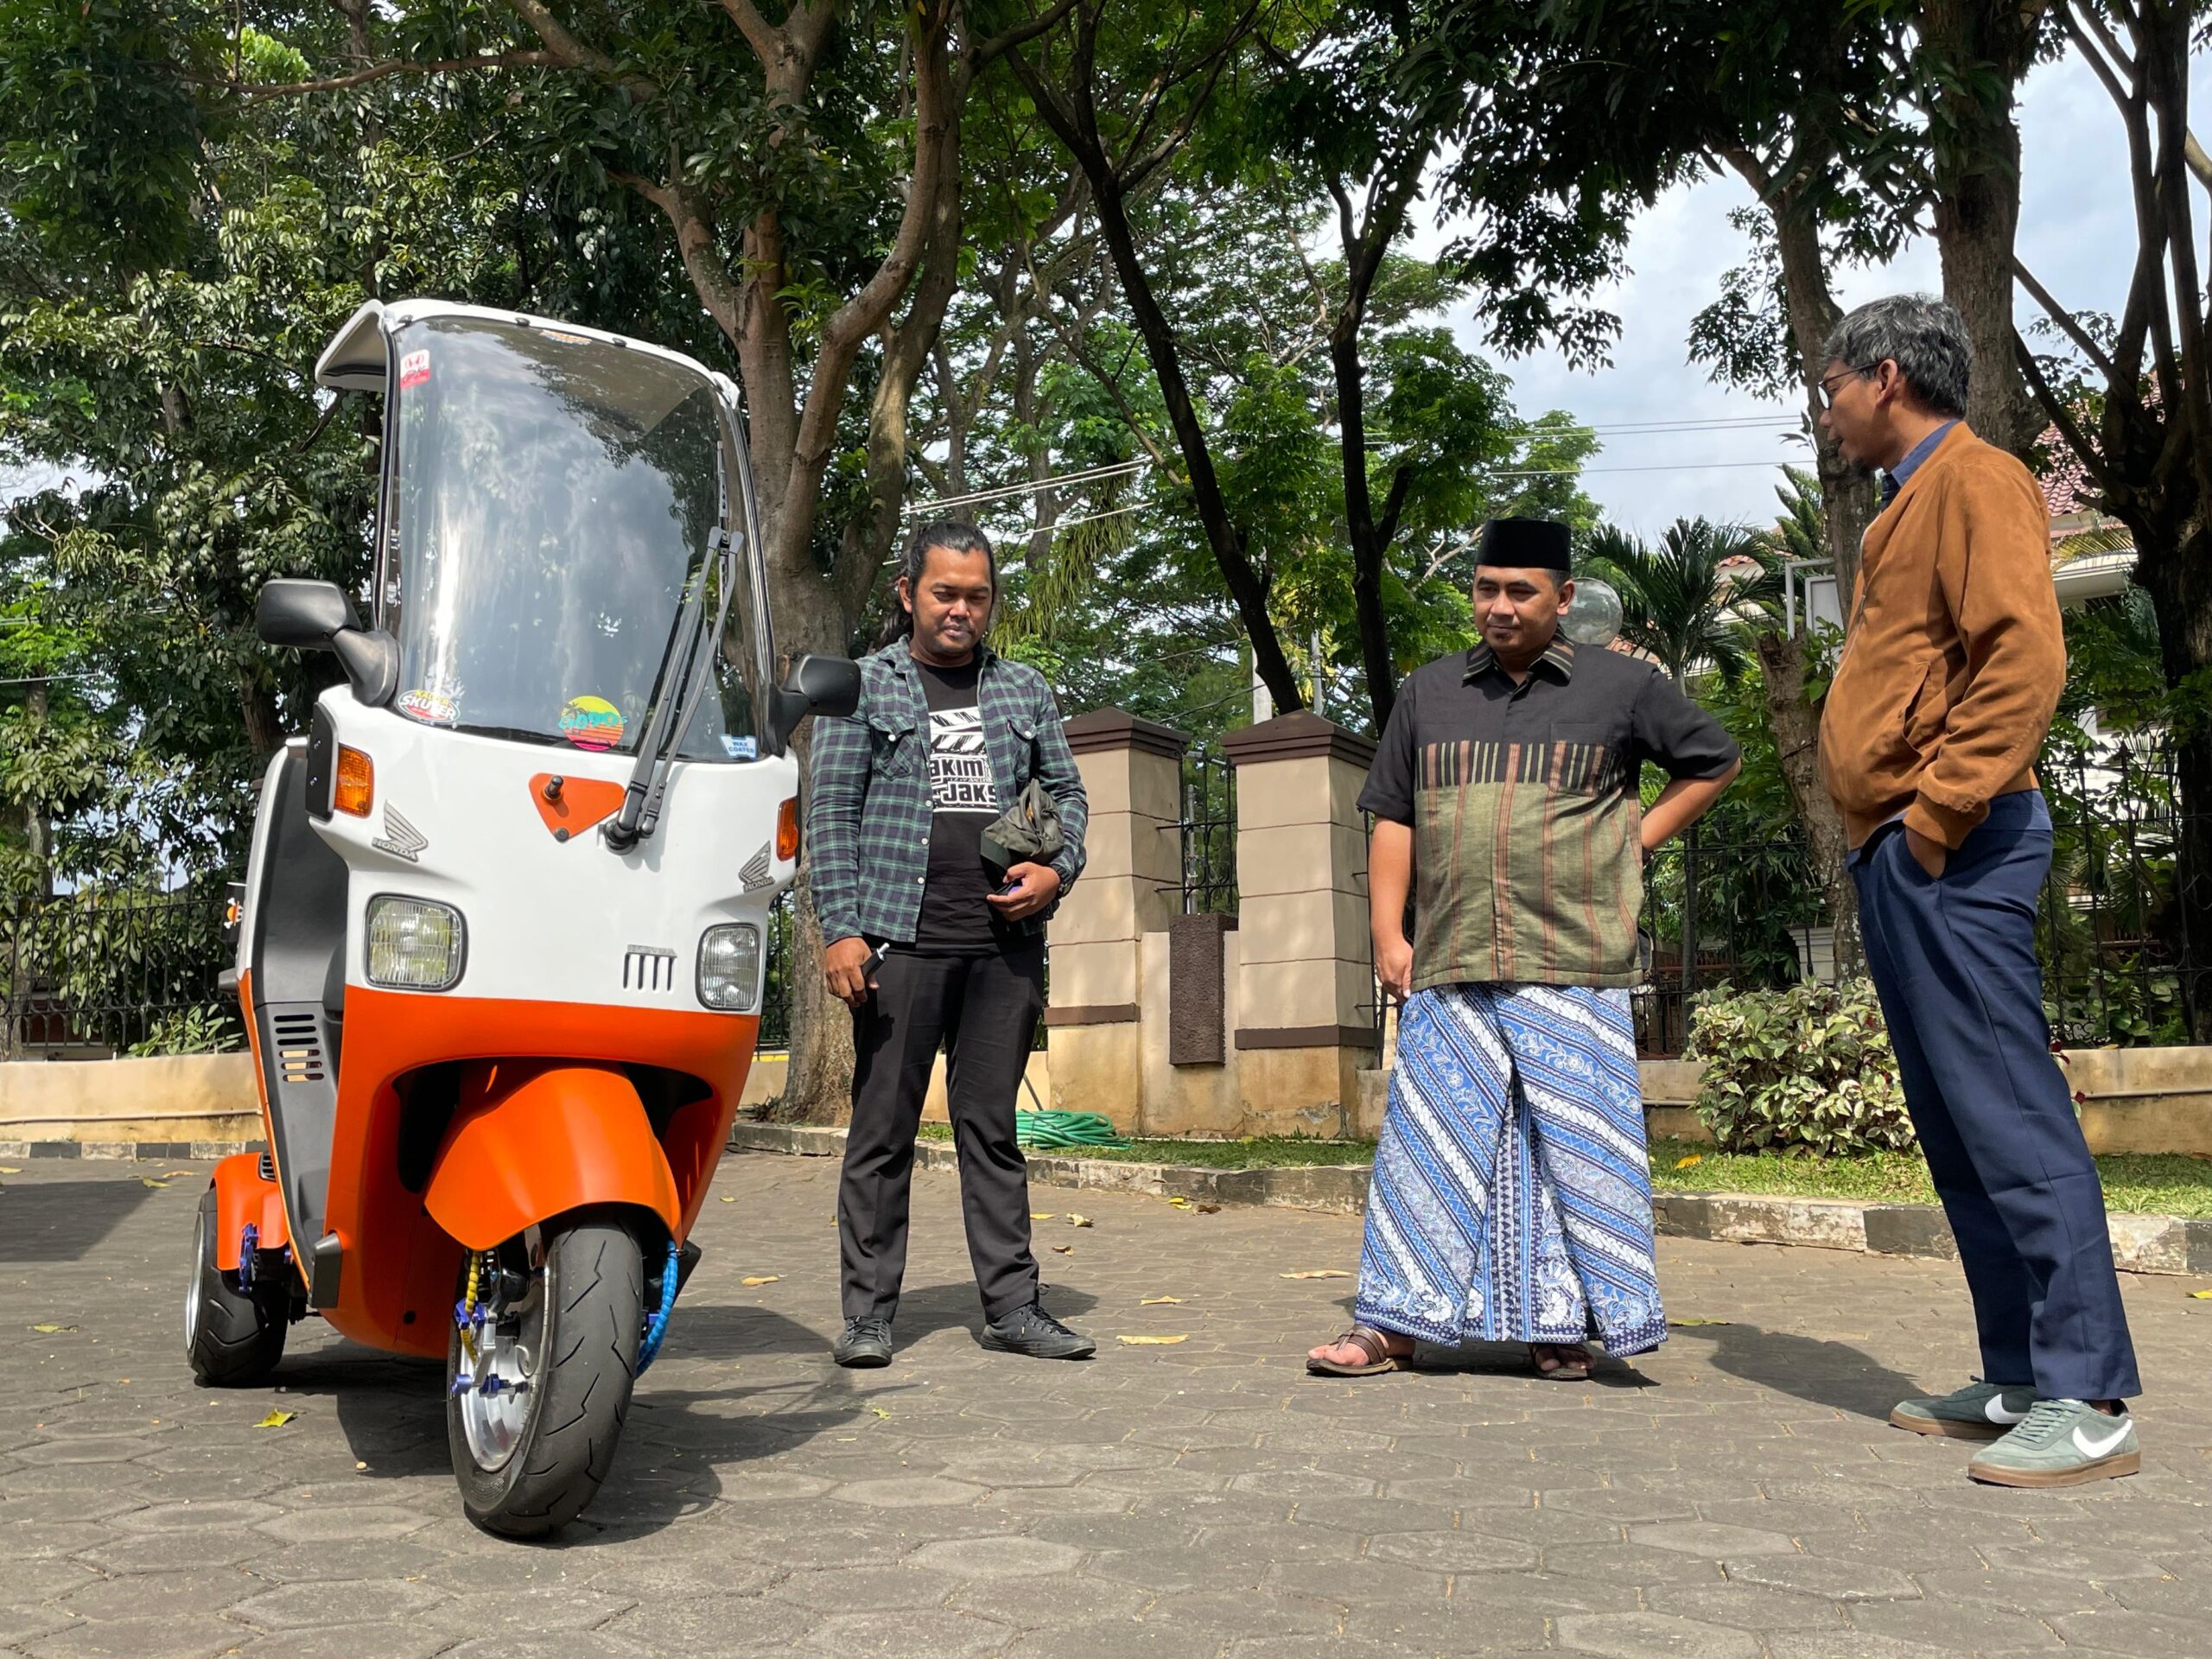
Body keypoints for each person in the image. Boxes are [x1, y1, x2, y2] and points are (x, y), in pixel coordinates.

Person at [1816, 294, 2140, 1486]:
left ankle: (2089, 1392)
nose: (1828, 409)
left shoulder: (1980, 481)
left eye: (1832, 385)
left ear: (1885, 374)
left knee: (2010, 1110)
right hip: (1903, 853)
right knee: (1960, 1126)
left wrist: (1942, 816)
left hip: (1958, 842)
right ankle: (2020, 1371)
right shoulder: (1903, 505)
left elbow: (2024, 656)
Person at [1306, 518, 1740, 1382]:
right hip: (1453, 953)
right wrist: (1387, 933)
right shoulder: (1428, 693)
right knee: (1427, 1144)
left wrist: (1635, 840)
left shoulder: (1622, 687)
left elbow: (1713, 761)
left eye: (1520, 591)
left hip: (1575, 954)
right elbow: (1391, 816)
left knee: (1572, 1147)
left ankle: (1560, 1324)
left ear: (1563, 599)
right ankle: (1391, 1325)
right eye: (1484, 589)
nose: (1498, 607)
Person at [807, 520, 1096, 1367]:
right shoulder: (862, 687)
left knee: (992, 1131)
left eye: (976, 595)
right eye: (944, 593)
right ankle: (867, 1316)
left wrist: (1055, 871)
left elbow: (1066, 800)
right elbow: (829, 814)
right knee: (881, 1131)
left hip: (1001, 949)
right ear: (908, 595)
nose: (960, 610)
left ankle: (1013, 1307)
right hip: (900, 941)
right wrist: (842, 929)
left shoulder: (1024, 691)